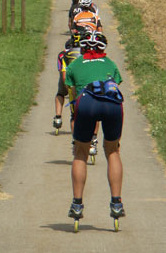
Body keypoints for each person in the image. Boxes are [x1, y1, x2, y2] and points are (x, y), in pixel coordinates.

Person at [64, 31, 126, 224]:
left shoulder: (74, 65)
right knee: (112, 151)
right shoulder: (110, 64)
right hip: (112, 106)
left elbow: (72, 95)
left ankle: (77, 204)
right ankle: (116, 203)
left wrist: (76, 114)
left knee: (80, 153)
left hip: (87, 103)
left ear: (82, 48)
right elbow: (115, 85)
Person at [53, 45, 79, 132]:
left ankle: (58, 117)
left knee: (60, 93)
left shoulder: (62, 54)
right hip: (79, 79)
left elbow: (60, 69)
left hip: (66, 75)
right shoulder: (82, 51)